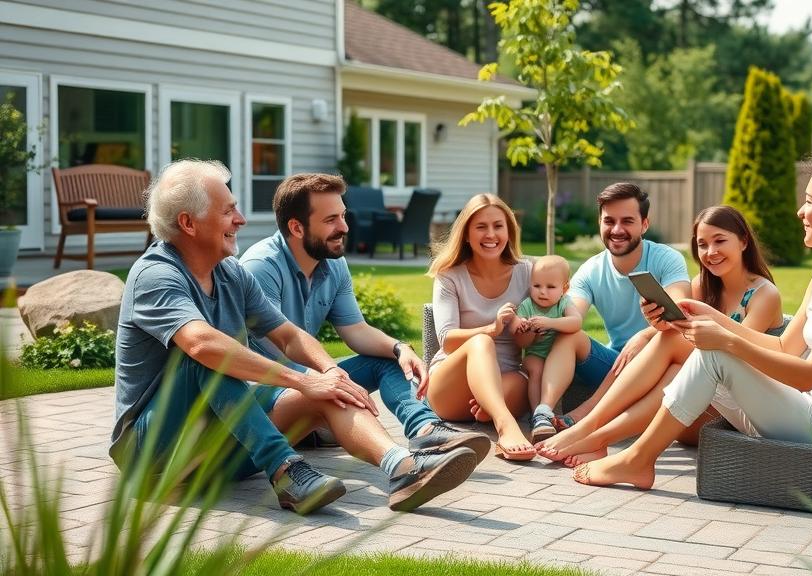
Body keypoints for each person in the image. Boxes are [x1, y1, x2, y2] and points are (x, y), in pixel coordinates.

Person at [109, 159, 477, 516]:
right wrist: (302, 380)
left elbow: (289, 336)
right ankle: (286, 471)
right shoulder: (156, 274)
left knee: (328, 386)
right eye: (228, 211)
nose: (241, 219)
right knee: (206, 355)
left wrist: (329, 375)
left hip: (220, 452)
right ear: (188, 223)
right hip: (153, 455)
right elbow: (203, 345)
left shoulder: (230, 274)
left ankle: (404, 468)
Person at [572, 159, 812, 489]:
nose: (800, 211)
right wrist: (710, 317)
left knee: (714, 355)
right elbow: (785, 346)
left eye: (810, 201)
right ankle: (601, 437)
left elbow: (809, 372)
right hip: (804, 409)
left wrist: (725, 341)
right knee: (691, 346)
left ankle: (636, 457)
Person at [239, 173, 490, 463]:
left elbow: (356, 330)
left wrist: (399, 348)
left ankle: (426, 429)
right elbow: (279, 350)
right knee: (338, 383)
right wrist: (334, 378)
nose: (344, 227)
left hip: (312, 381)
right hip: (268, 393)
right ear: (296, 227)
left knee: (389, 360)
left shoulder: (333, 264)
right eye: (331, 219)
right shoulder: (260, 267)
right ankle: (341, 437)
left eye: (343, 215)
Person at [535, 205, 783, 464]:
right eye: (702, 244)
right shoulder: (702, 285)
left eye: (720, 241)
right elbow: (682, 334)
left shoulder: (763, 294)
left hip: (738, 411)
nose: (711, 252)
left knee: (674, 347)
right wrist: (656, 323)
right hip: (692, 409)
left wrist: (656, 334)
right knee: (674, 360)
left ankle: (592, 432)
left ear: (744, 241)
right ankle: (597, 437)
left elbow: (738, 354)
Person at [539, 183, 691, 430]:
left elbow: (681, 312)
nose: (617, 229)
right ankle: (543, 414)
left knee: (662, 339)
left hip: (661, 369)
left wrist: (645, 335)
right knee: (569, 334)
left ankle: (586, 414)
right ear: (600, 222)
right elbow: (571, 316)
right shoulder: (591, 270)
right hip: (615, 365)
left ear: (644, 224)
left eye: (627, 221)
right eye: (609, 221)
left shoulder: (667, 258)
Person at [425, 193, 537, 461]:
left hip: (504, 382)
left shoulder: (528, 272)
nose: (491, 235)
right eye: (481, 227)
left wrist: (527, 327)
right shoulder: (449, 275)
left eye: (498, 226)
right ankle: (504, 425)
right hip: (451, 388)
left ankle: (490, 407)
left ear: (509, 231)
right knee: (481, 342)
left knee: (523, 380)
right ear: (466, 234)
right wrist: (491, 329)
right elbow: (448, 341)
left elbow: (526, 344)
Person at [508, 254, 583, 443]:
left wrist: (550, 322)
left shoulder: (564, 303)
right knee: (537, 368)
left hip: (557, 356)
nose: (542, 292)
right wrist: (529, 333)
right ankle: (537, 415)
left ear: (564, 289)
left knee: (553, 366)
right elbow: (521, 344)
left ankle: (544, 412)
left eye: (551, 287)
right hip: (534, 354)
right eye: (537, 286)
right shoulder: (526, 306)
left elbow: (576, 323)